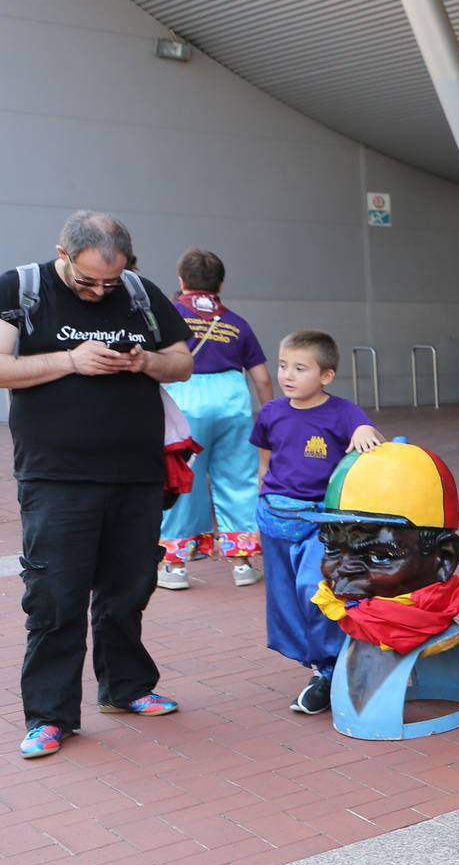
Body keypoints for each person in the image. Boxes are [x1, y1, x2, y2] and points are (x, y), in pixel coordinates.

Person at [1, 212, 194, 760]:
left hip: (135, 472)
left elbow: (181, 362)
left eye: (110, 280)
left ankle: (126, 688)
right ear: (62, 253)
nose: (99, 290)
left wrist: (145, 359)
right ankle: (50, 716)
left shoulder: (138, 292)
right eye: (88, 280)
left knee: (127, 589)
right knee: (55, 597)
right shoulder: (22, 288)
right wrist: (71, 359)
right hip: (56, 476)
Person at [250, 331, 383, 714]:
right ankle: (317, 666)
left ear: (326, 376)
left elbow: (368, 433)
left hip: (320, 522)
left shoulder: (342, 412)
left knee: (316, 587)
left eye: (300, 368)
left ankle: (330, 668)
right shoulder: (272, 411)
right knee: (285, 599)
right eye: (283, 366)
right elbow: (264, 458)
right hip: (275, 519)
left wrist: (362, 429)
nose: (287, 375)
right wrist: (261, 496)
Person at [159, 249, 273, 590]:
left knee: (183, 479)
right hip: (232, 399)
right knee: (237, 478)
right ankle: (242, 564)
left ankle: (175, 566)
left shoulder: (170, 315)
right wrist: (270, 419)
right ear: (221, 283)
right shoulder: (237, 322)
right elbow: (263, 379)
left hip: (185, 398)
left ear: (181, 281)